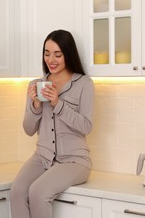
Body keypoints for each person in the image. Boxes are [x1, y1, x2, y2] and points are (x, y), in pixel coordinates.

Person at [10, 29, 94, 218]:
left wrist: (57, 103)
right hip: (42, 157)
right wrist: (36, 104)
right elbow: (28, 129)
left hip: (75, 160)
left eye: (58, 54)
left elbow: (86, 126)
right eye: (47, 53)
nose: (51, 59)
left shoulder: (84, 84)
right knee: (17, 192)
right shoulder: (36, 84)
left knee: (38, 192)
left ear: (68, 54)